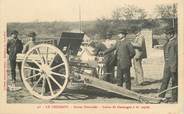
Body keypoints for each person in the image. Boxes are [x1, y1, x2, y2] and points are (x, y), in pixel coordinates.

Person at [159, 28, 178, 102]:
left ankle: (174, 98)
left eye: (167, 34)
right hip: (167, 65)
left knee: (174, 82)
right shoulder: (169, 42)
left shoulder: (174, 43)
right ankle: (160, 96)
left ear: (171, 34)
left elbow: (173, 57)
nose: (166, 36)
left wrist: (173, 68)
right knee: (165, 81)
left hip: (172, 66)